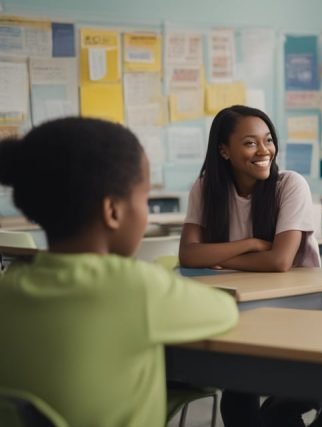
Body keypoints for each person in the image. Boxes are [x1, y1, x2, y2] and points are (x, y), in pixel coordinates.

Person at [0, 118, 238, 426]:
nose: (147, 210)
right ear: (112, 211)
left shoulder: (8, 288)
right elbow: (225, 312)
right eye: (144, 198)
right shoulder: (138, 287)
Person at [177, 105, 320, 426]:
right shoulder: (205, 188)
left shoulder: (290, 185)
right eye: (250, 143)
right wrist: (251, 244)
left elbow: (280, 261)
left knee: (273, 404)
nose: (264, 150)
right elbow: (187, 255)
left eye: (268, 140)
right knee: (238, 395)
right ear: (224, 150)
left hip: (296, 313)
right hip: (239, 312)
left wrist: (216, 255)